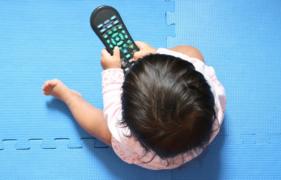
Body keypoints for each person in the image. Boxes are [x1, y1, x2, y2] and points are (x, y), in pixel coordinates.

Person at [42, 41, 226, 170]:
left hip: (149, 157)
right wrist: (158, 53)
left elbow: (113, 103)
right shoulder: (212, 101)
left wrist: (112, 70)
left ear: (128, 116)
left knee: (106, 129)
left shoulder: (127, 135)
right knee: (191, 52)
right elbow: (191, 62)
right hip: (195, 140)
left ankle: (70, 98)